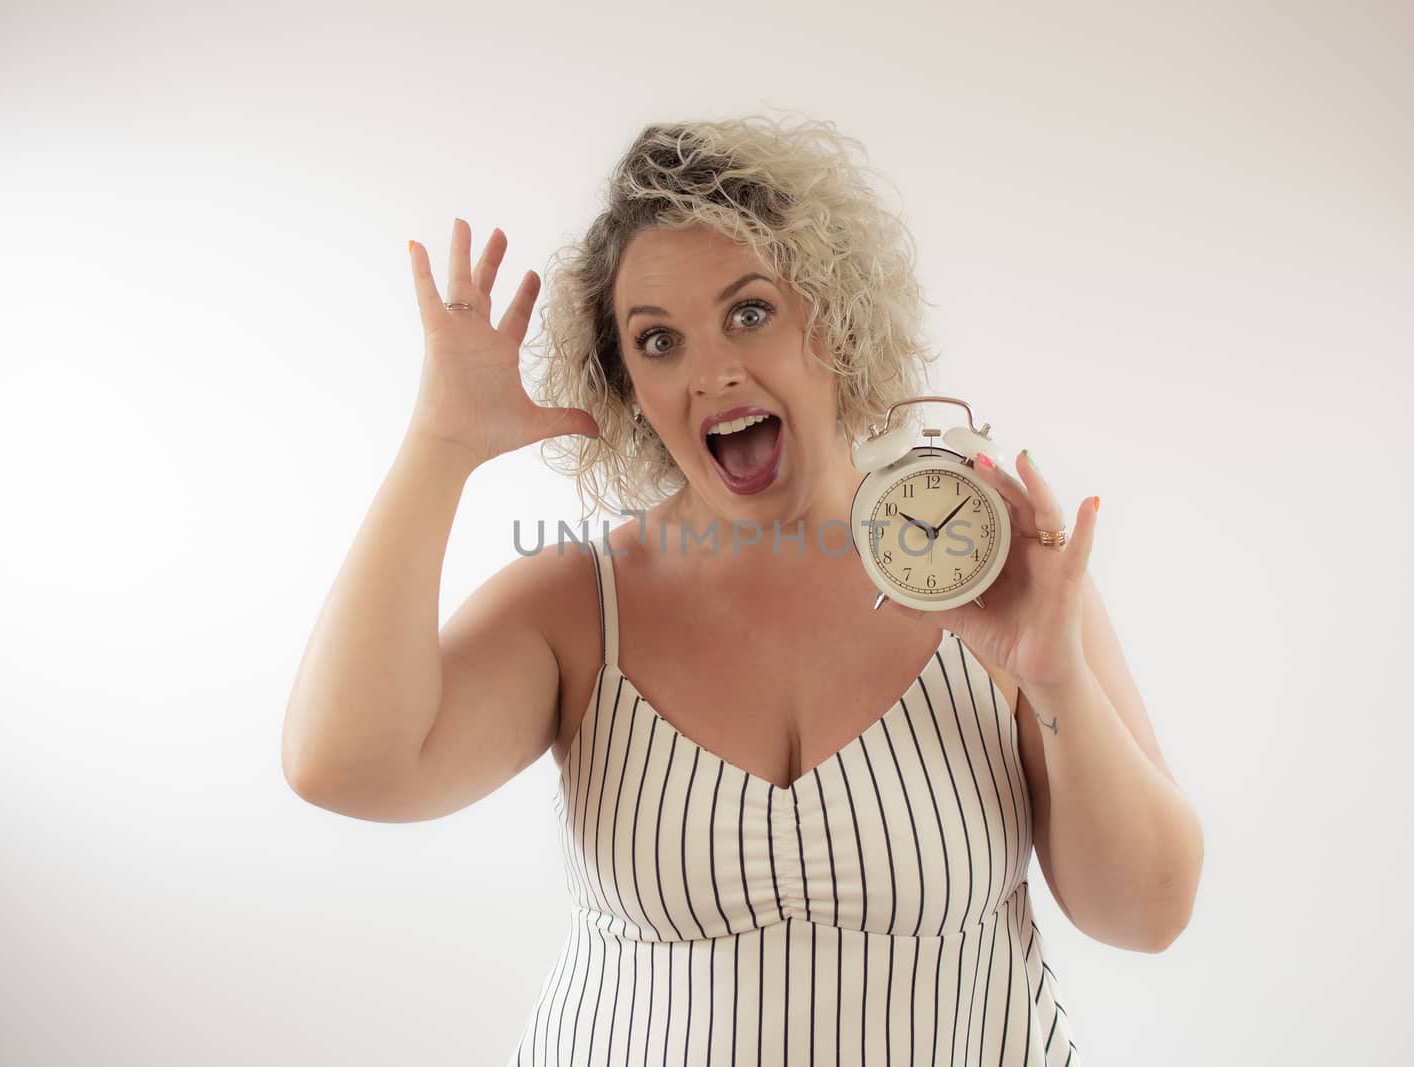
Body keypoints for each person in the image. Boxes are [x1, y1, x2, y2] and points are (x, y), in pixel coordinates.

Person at [282, 115, 1203, 1066]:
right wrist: (440, 446)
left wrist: (1056, 683)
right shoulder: (576, 604)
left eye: (750, 313)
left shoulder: (991, 570)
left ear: (835, 319)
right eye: (657, 340)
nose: (713, 369)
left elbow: (1146, 914)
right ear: (625, 380)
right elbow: (345, 766)